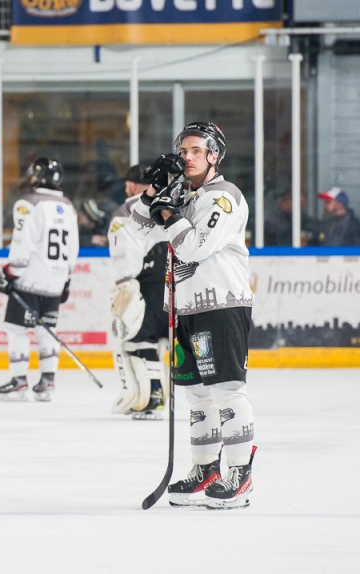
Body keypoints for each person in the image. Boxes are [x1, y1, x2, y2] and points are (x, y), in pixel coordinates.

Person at [132, 122, 256, 509]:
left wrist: (168, 213)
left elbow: (196, 247)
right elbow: (135, 228)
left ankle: (240, 472)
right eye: (183, 150)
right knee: (196, 395)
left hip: (222, 304)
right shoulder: (183, 195)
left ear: (214, 155)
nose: (187, 156)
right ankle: (206, 469)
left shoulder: (224, 197)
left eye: (196, 151)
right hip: (184, 308)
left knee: (226, 390)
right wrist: (153, 191)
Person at [0, 157, 79, 402]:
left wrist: (11, 273)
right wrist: (66, 280)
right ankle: (47, 381)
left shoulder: (28, 203)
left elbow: (22, 244)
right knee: (47, 330)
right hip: (55, 281)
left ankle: (19, 381)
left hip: (30, 279)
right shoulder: (69, 206)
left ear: (36, 176)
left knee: (17, 329)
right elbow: (73, 248)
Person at [108, 164, 169, 420]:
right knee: (173, 340)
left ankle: (154, 396)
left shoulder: (125, 210)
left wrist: (124, 287)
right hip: (180, 278)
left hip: (149, 278)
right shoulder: (174, 201)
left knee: (141, 339)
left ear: (133, 185)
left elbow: (127, 259)